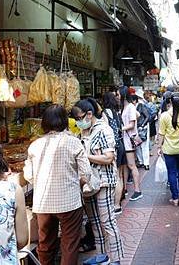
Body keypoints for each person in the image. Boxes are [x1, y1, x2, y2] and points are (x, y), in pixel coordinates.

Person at [23, 104, 93, 265]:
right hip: (69, 202)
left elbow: (28, 176)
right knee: (69, 244)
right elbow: (86, 173)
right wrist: (79, 184)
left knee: (45, 244)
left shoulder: (35, 145)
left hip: (43, 204)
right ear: (64, 121)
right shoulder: (73, 143)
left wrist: (41, 182)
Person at [74, 99, 124, 265]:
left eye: (79, 118)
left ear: (89, 114)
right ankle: (102, 257)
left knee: (107, 221)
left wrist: (85, 156)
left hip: (103, 181)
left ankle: (115, 259)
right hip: (88, 183)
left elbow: (109, 158)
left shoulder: (103, 130)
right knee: (94, 222)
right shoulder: (82, 132)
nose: (78, 122)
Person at [102, 92, 126, 214]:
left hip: (114, 146)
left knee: (115, 176)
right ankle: (119, 201)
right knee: (119, 175)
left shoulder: (105, 113)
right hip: (120, 144)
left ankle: (116, 205)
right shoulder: (116, 112)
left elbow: (106, 131)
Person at [120, 86, 143, 201]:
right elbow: (138, 115)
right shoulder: (125, 107)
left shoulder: (129, 107)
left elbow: (131, 124)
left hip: (129, 140)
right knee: (126, 166)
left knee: (131, 165)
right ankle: (124, 189)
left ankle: (137, 190)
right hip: (125, 140)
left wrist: (121, 128)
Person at [131, 93, 151, 170]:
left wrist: (142, 125)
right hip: (136, 128)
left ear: (134, 101)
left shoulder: (140, 106)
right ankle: (141, 161)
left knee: (144, 145)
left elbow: (147, 116)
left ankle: (146, 163)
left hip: (142, 128)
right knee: (138, 145)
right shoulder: (133, 107)